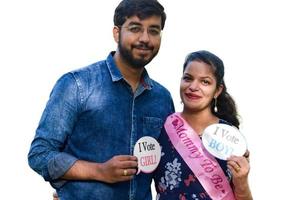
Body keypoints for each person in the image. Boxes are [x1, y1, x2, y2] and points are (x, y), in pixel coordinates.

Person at [28, 0, 174, 199]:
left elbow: (167, 169)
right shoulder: (77, 85)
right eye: (135, 28)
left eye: (154, 31)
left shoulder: (162, 98)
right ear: (116, 33)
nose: (145, 38)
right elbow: (40, 154)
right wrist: (99, 171)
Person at [154, 50, 253, 200]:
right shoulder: (163, 127)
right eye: (188, 78)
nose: (193, 86)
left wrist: (242, 180)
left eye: (205, 82)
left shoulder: (229, 136)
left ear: (217, 90)